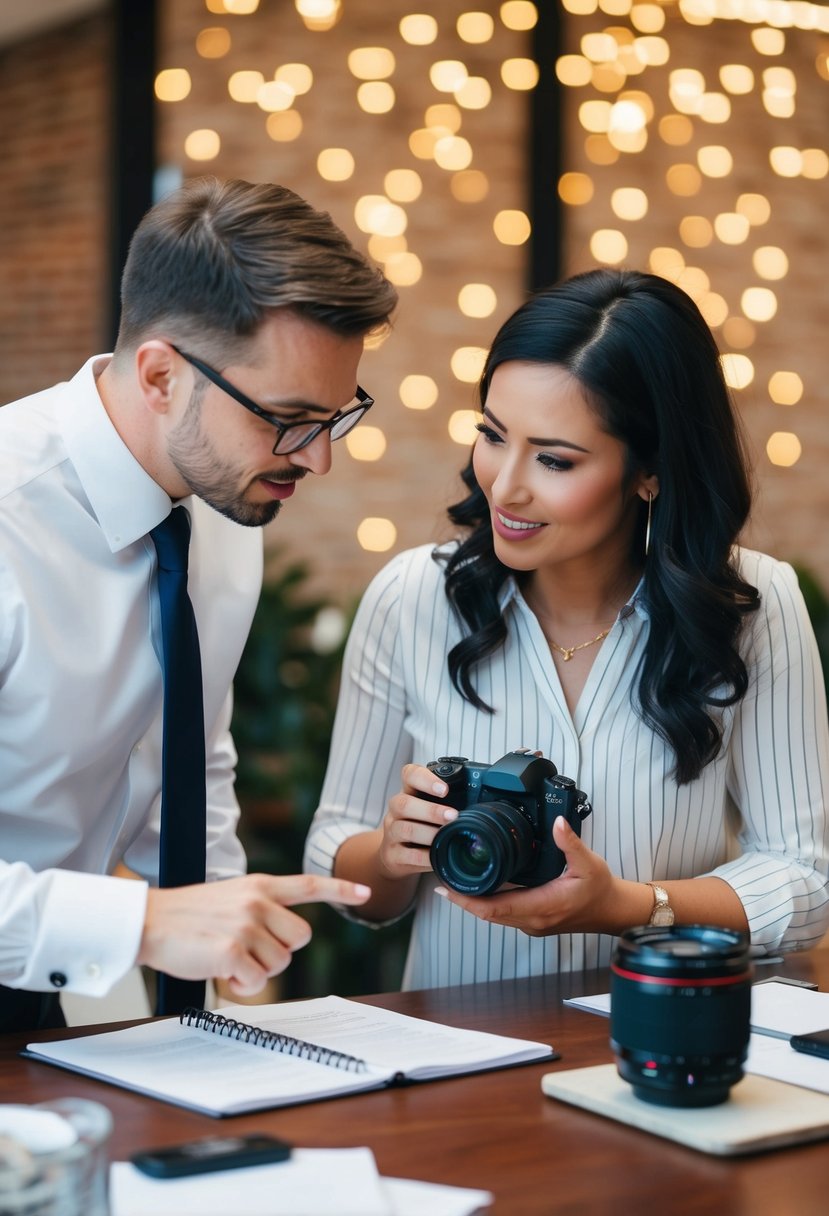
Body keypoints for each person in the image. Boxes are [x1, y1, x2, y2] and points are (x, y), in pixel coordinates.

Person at [304, 267, 829, 990]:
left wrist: (628, 905)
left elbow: (803, 884)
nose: (505, 485)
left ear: (648, 470)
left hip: (658, 1039)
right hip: (459, 1058)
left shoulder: (751, 605)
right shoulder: (412, 597)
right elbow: (334, 853)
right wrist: (391, 853)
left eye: (553, 458)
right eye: (491, 435)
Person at [0, 176, 398, 1031]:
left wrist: (228, 947)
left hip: (38, 1001)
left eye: (336, 416)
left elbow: (187, 753)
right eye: (289, 417)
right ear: (159, 376)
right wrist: (143, 924)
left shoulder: (221, 505)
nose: (318, 459)